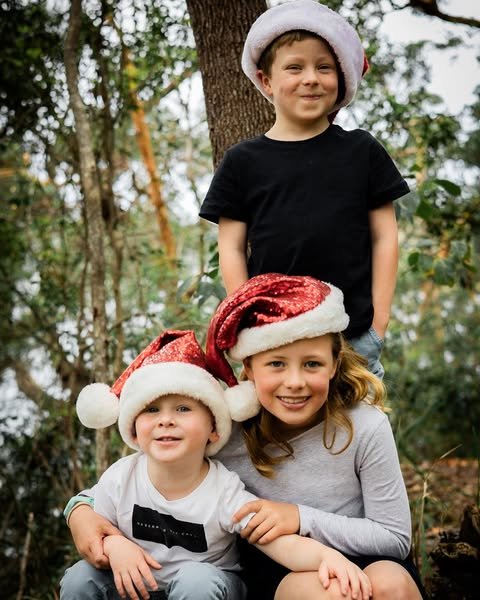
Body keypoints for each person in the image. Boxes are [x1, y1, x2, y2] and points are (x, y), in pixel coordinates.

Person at [60, 329, 372, 600]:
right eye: (151, 409)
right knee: (80, 578)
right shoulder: (121, 478)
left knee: (196, 580)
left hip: (211, 588)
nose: (166, 420)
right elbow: (91, 521)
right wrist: (114, 544)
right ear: (133, 428)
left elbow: (280, 543)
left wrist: (328, 558)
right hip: (139, 587)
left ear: (213, 428)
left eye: (183, 408)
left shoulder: (223, 490)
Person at [199, 0, 411, 379]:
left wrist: (379, 323)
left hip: (353, 338)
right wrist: (248, 320)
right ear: (266, 81)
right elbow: (231, 248)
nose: (311, 78)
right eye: (295, 67)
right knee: (278, 436)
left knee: (359, 434)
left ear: (341, 79)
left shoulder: (362, 151)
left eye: (324, 67)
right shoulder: (242, 161)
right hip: (275, 340)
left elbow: (385, 238)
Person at [204, 274, 426, 600]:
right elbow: (150, 475)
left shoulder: (365, 425)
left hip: (367, 553)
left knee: (390, 584)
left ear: (335, 364)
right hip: (282, 567)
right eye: (276, 364)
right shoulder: (225, 434)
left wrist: (299, 517)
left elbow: (394, 536)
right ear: (249, 367)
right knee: (333, 592)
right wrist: (97, 519)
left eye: (312, 364)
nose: (295, 382)